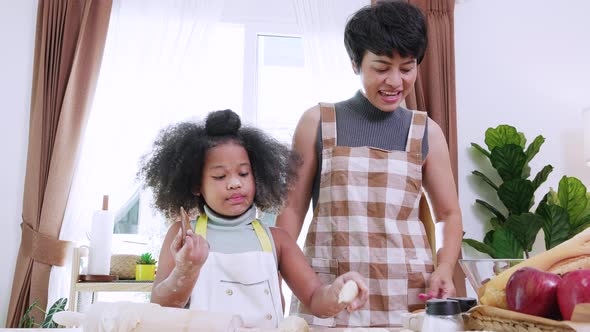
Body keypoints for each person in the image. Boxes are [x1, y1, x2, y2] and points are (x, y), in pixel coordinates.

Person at [275, 1, 463, 327]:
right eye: (381, 68)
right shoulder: (317, 122)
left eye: (407, 68)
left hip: (407, 291)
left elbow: (448, 213)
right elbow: (291, 210)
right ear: (355, 63)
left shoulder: (426, 131)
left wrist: (444, 267)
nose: (395, 81)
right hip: (330, 289)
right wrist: (276, 275)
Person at [138, 109, 368, 329]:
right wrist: (185, 269)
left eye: (243, 173)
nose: (235, 183)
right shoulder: (185, 235)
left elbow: (315, 298)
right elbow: (160, 307)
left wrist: (338, 293)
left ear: (257, 175)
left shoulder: (277, 240)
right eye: (220, 176)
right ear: (196, 184)